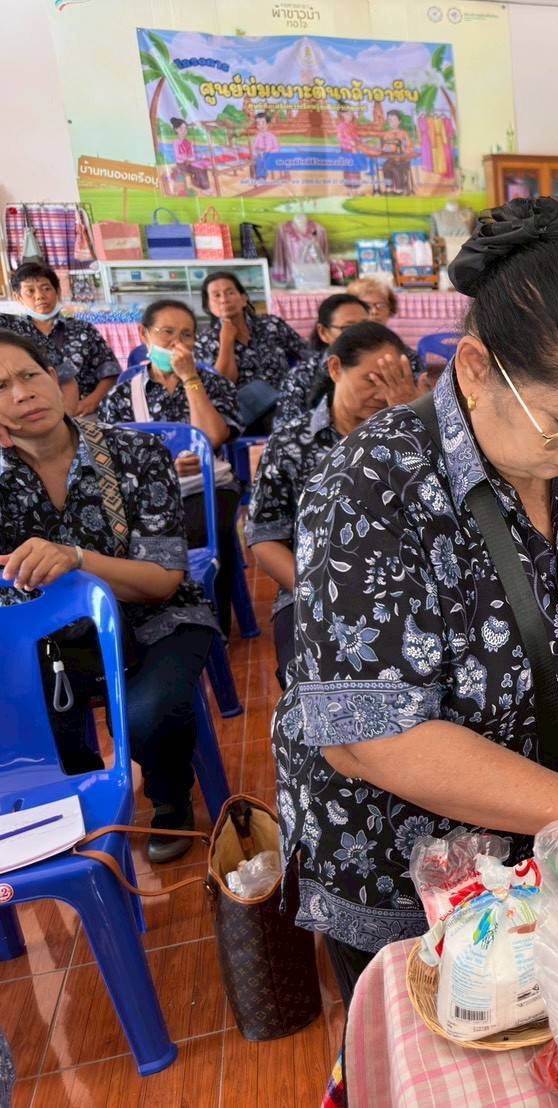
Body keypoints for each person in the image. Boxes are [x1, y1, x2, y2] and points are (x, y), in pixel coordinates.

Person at [271, 198, 558, 1003]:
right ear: (476, 369)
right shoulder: (374, 480)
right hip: (408, 866)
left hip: (551, 836)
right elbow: (369, 739)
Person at [0, 332, 216, 862]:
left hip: (154, 619)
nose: (21, 395)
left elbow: (164, 578)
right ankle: (68, 810)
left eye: (29, 376)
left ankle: (170, 796)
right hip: (49, 644)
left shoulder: (133, 452)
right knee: (40, 725)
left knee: (147, 711)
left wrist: (75, 558)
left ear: (56, 379)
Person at [248, 322, 416, 689]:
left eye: (394, 380)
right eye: (373, 379)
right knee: (315, 683)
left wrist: (408, 421)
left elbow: (434, 511)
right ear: (335, 368)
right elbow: (263, 536)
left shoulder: (412, 435)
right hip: (310, 586)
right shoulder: (292, 443)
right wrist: (318, 593)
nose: (382, 393)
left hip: (406, 588)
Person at [99, 299, 242, 637]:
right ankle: (147, 629)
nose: (178, 344)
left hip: (204, 488)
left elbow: (214, 436)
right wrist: (161, 470)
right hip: (145, 495)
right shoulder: (121, 396)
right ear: (144, 335)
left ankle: (210, 628)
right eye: (167, 333)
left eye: (187, 335)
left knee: (205, 532)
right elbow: (111, 459)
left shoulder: (213, 383)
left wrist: (191, 378)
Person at [0, 261, 120, 417]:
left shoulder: (83, 329)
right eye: (30, 291)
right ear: (18, 298)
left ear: (57, 291)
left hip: (83, 412)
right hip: (30, 415)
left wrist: (91, 402)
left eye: (46, 288)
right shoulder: (12, 334)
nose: (40, 296)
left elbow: (110, 373)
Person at [194, 270, 307, 434]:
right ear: (208, 306)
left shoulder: (271, 325)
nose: (224, 300)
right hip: (244, 414)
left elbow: (305, 353)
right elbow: (222, 384)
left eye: (230, 292)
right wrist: (226, 342)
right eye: (216, 296)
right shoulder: (206, 340)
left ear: (244, 298)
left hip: (286, 400)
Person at [276, 293, 369, 422]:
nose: (361, 334)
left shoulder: (385, 367)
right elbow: (285, 432)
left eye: (366, 326)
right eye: (348, 328)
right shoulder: (301, 377)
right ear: (323, 332)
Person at [344, 277, 427, 380]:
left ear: (390, 309)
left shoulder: (405, 354)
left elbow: (421, 389)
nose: (374, 311)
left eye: (380, 305)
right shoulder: (340, 350)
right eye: (367, 306)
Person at [250, 111, 280, 185]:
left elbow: (273, 148)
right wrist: (255, 152)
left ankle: (262, 178)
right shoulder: (258, 136)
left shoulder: (271, 136)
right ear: (257, 126)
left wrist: (266, 153)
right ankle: (256, 177)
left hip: (271, 153)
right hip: (261, 154)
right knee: (254, 161)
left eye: (263, 123)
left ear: (268, 124)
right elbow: (254, 147)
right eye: (258, 124)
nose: (261, 125)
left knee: (262, 160)